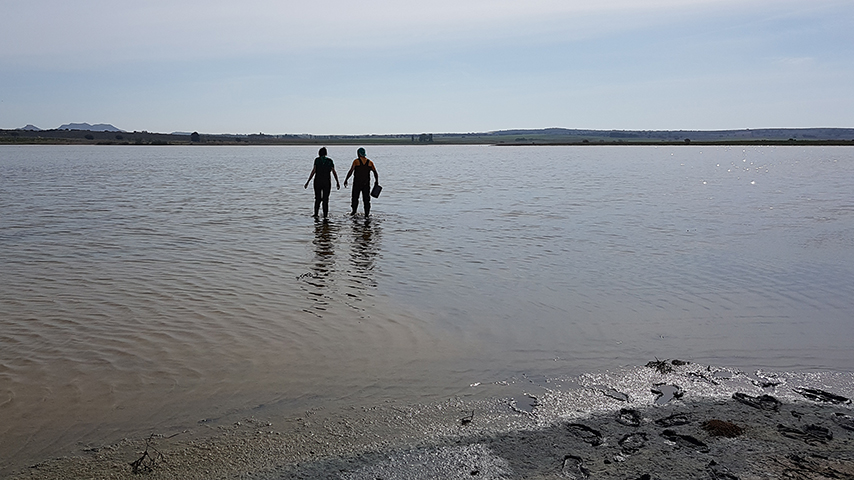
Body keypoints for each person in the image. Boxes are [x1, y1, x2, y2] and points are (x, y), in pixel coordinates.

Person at [304, 147, 340, 218]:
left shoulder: (317, 160)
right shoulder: (330, 161)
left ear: (319, 153)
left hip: (317, 181)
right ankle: (325, 215)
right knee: (325, 199)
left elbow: (313, 171)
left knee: (317, 198)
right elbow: (334, 172)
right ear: (326, 153)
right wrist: (337, 182)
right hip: (327, 182)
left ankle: (316, 214)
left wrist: (308, 181)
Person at [344, 147, 379, 215]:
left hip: (357, 183)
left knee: (355, 198)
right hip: (366, 184)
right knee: (366, 199)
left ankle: (354, 212)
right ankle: (367, 214)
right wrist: (376, 181)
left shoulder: (356, 161)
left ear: (358, 154)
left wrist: (346, 179)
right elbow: (375, 173)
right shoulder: (370, 162)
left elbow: (351, 171)